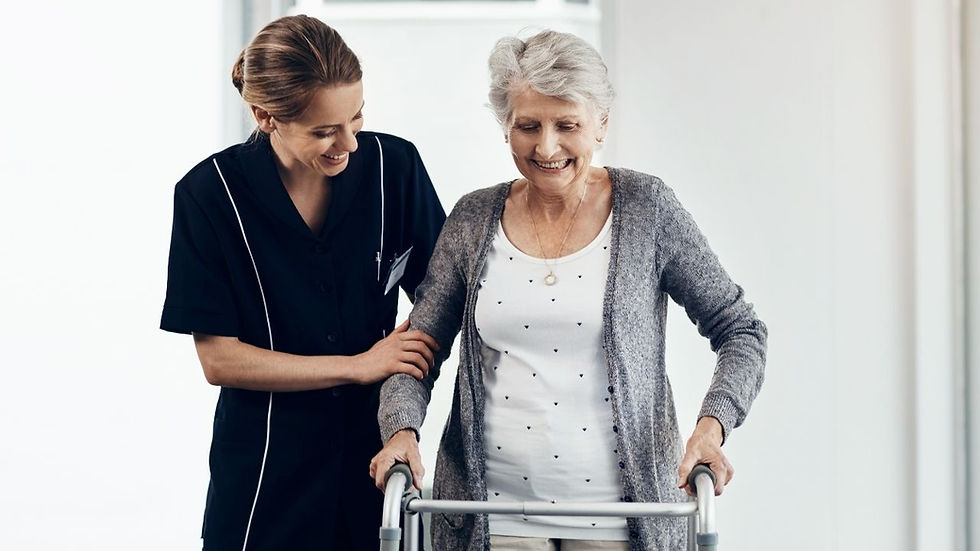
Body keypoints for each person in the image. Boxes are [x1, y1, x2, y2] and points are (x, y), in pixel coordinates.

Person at [369, 29, 767, 550]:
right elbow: (416, 351)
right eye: (527, 126)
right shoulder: (472, 217)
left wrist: (711, 427)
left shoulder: (648, 209)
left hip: (621, 519)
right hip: (490, 514)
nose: (546, 146)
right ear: (505, 127)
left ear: (601, 124)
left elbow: (740, 330)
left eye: (567, 125)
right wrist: (401, 428)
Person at [160, 15, 445, 550]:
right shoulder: (208, 195)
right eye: (324, 131)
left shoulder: (395, 168)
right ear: (264, 116)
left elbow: (442, 304)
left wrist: (404, 422)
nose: (349, 144)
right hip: (265, 473)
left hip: (375, 462)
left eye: (356, 118)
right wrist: (358, 365)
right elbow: (219, 360)